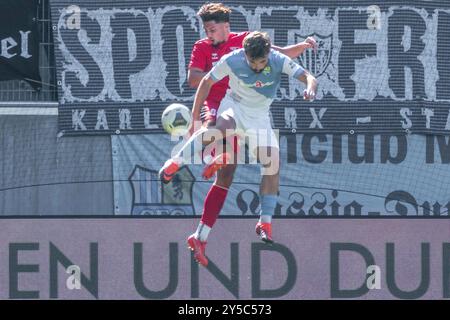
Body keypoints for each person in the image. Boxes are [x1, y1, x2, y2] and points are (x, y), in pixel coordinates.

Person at [160, 31, 318, 266]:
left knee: (272, 164)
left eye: (261, 62)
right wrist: (194, 118)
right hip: (235, 106)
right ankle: (175, 163)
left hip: (259, 119)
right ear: (244, 54)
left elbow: (308, 77)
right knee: (217, 130)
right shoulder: (232, 59)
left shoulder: (277, 59)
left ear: (268, 55)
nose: (257, 67)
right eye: (252, 62)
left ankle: (264, 223)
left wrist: (310, 88)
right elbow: (205, 82)